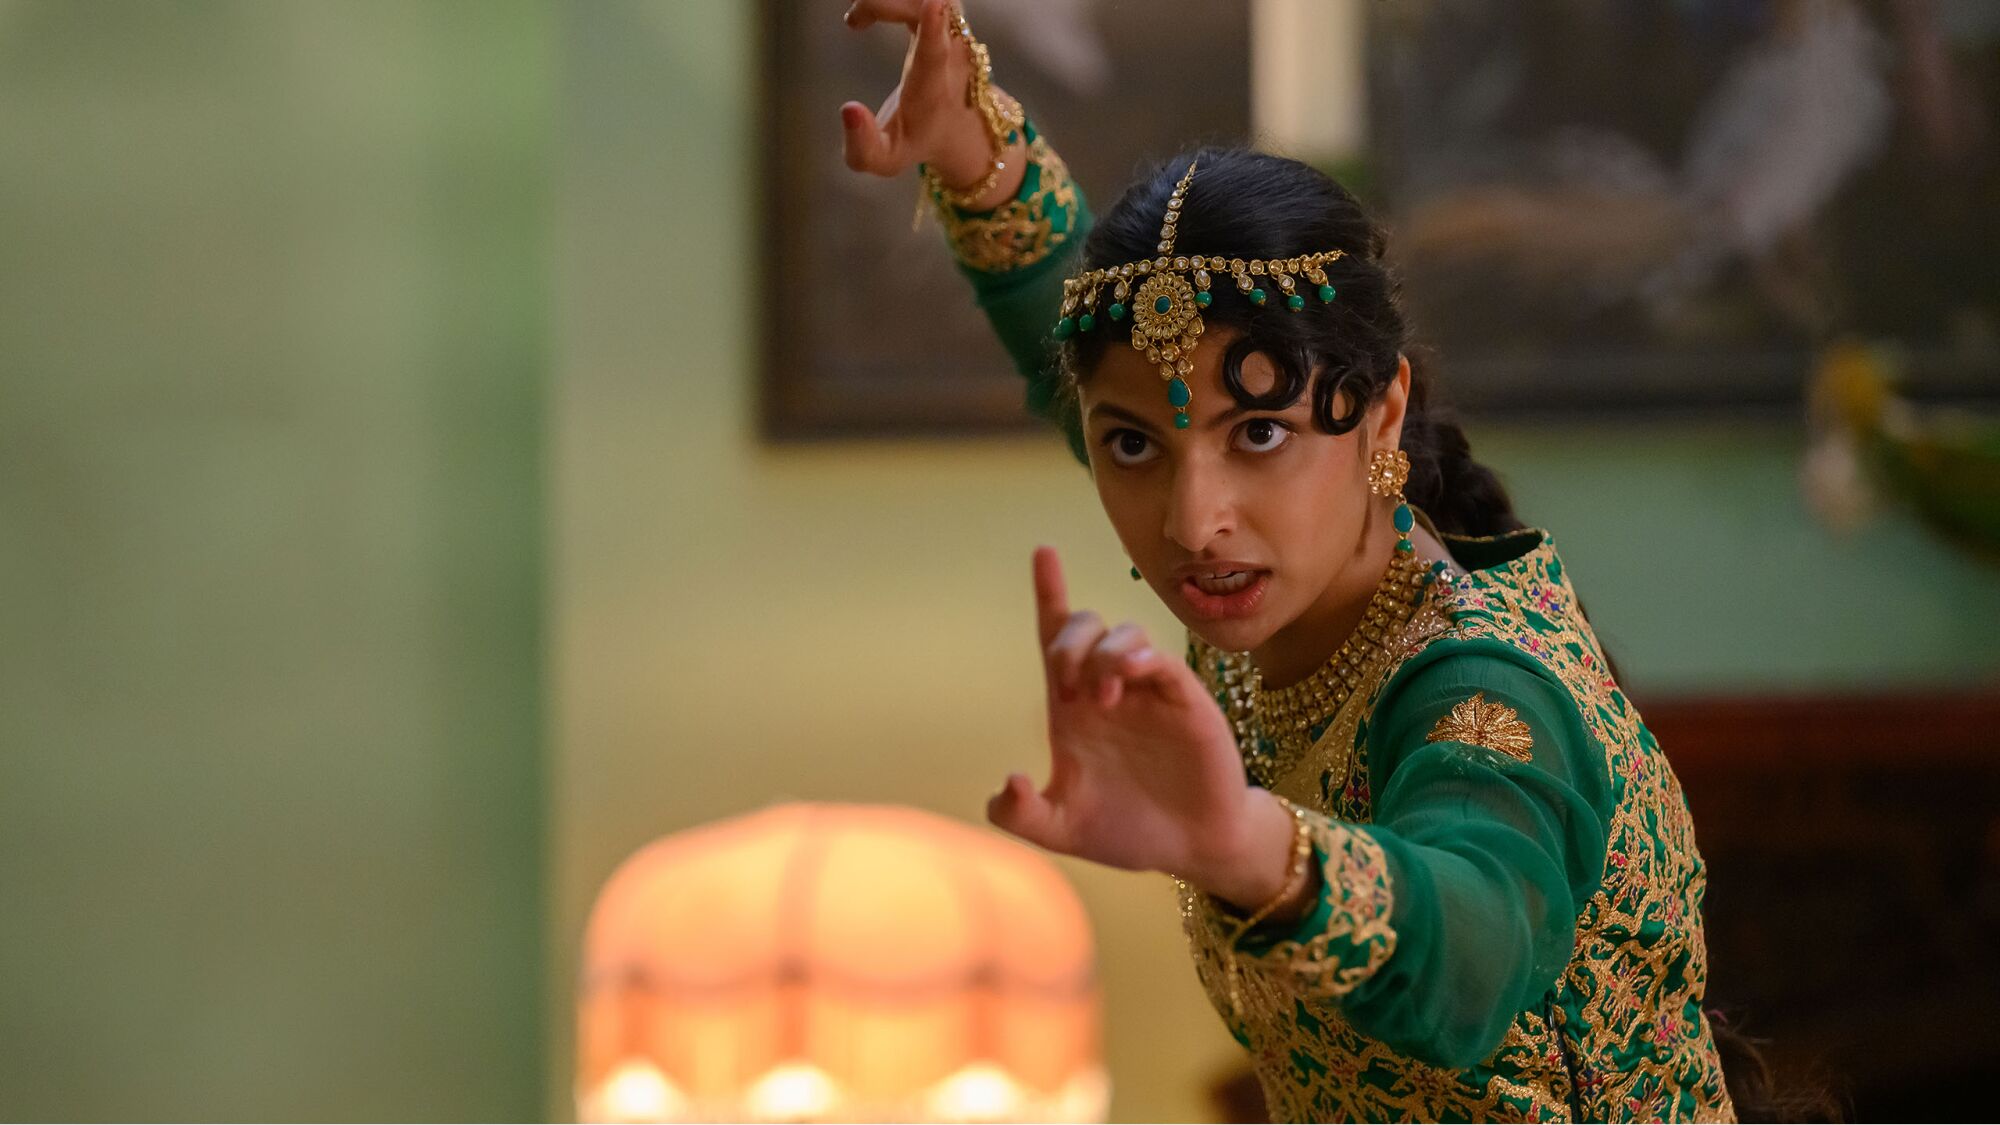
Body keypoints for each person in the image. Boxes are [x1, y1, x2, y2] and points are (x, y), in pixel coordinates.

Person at [839, 2, 1742, 1120]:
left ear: (1380, 415)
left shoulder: (1480, 687)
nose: (1190, 518)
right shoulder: (1269, 573)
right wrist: (971, 151)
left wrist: (1248, 848)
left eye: (1256, 433)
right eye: (1133, 447)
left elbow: (1472, 942)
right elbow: (1077, 350)